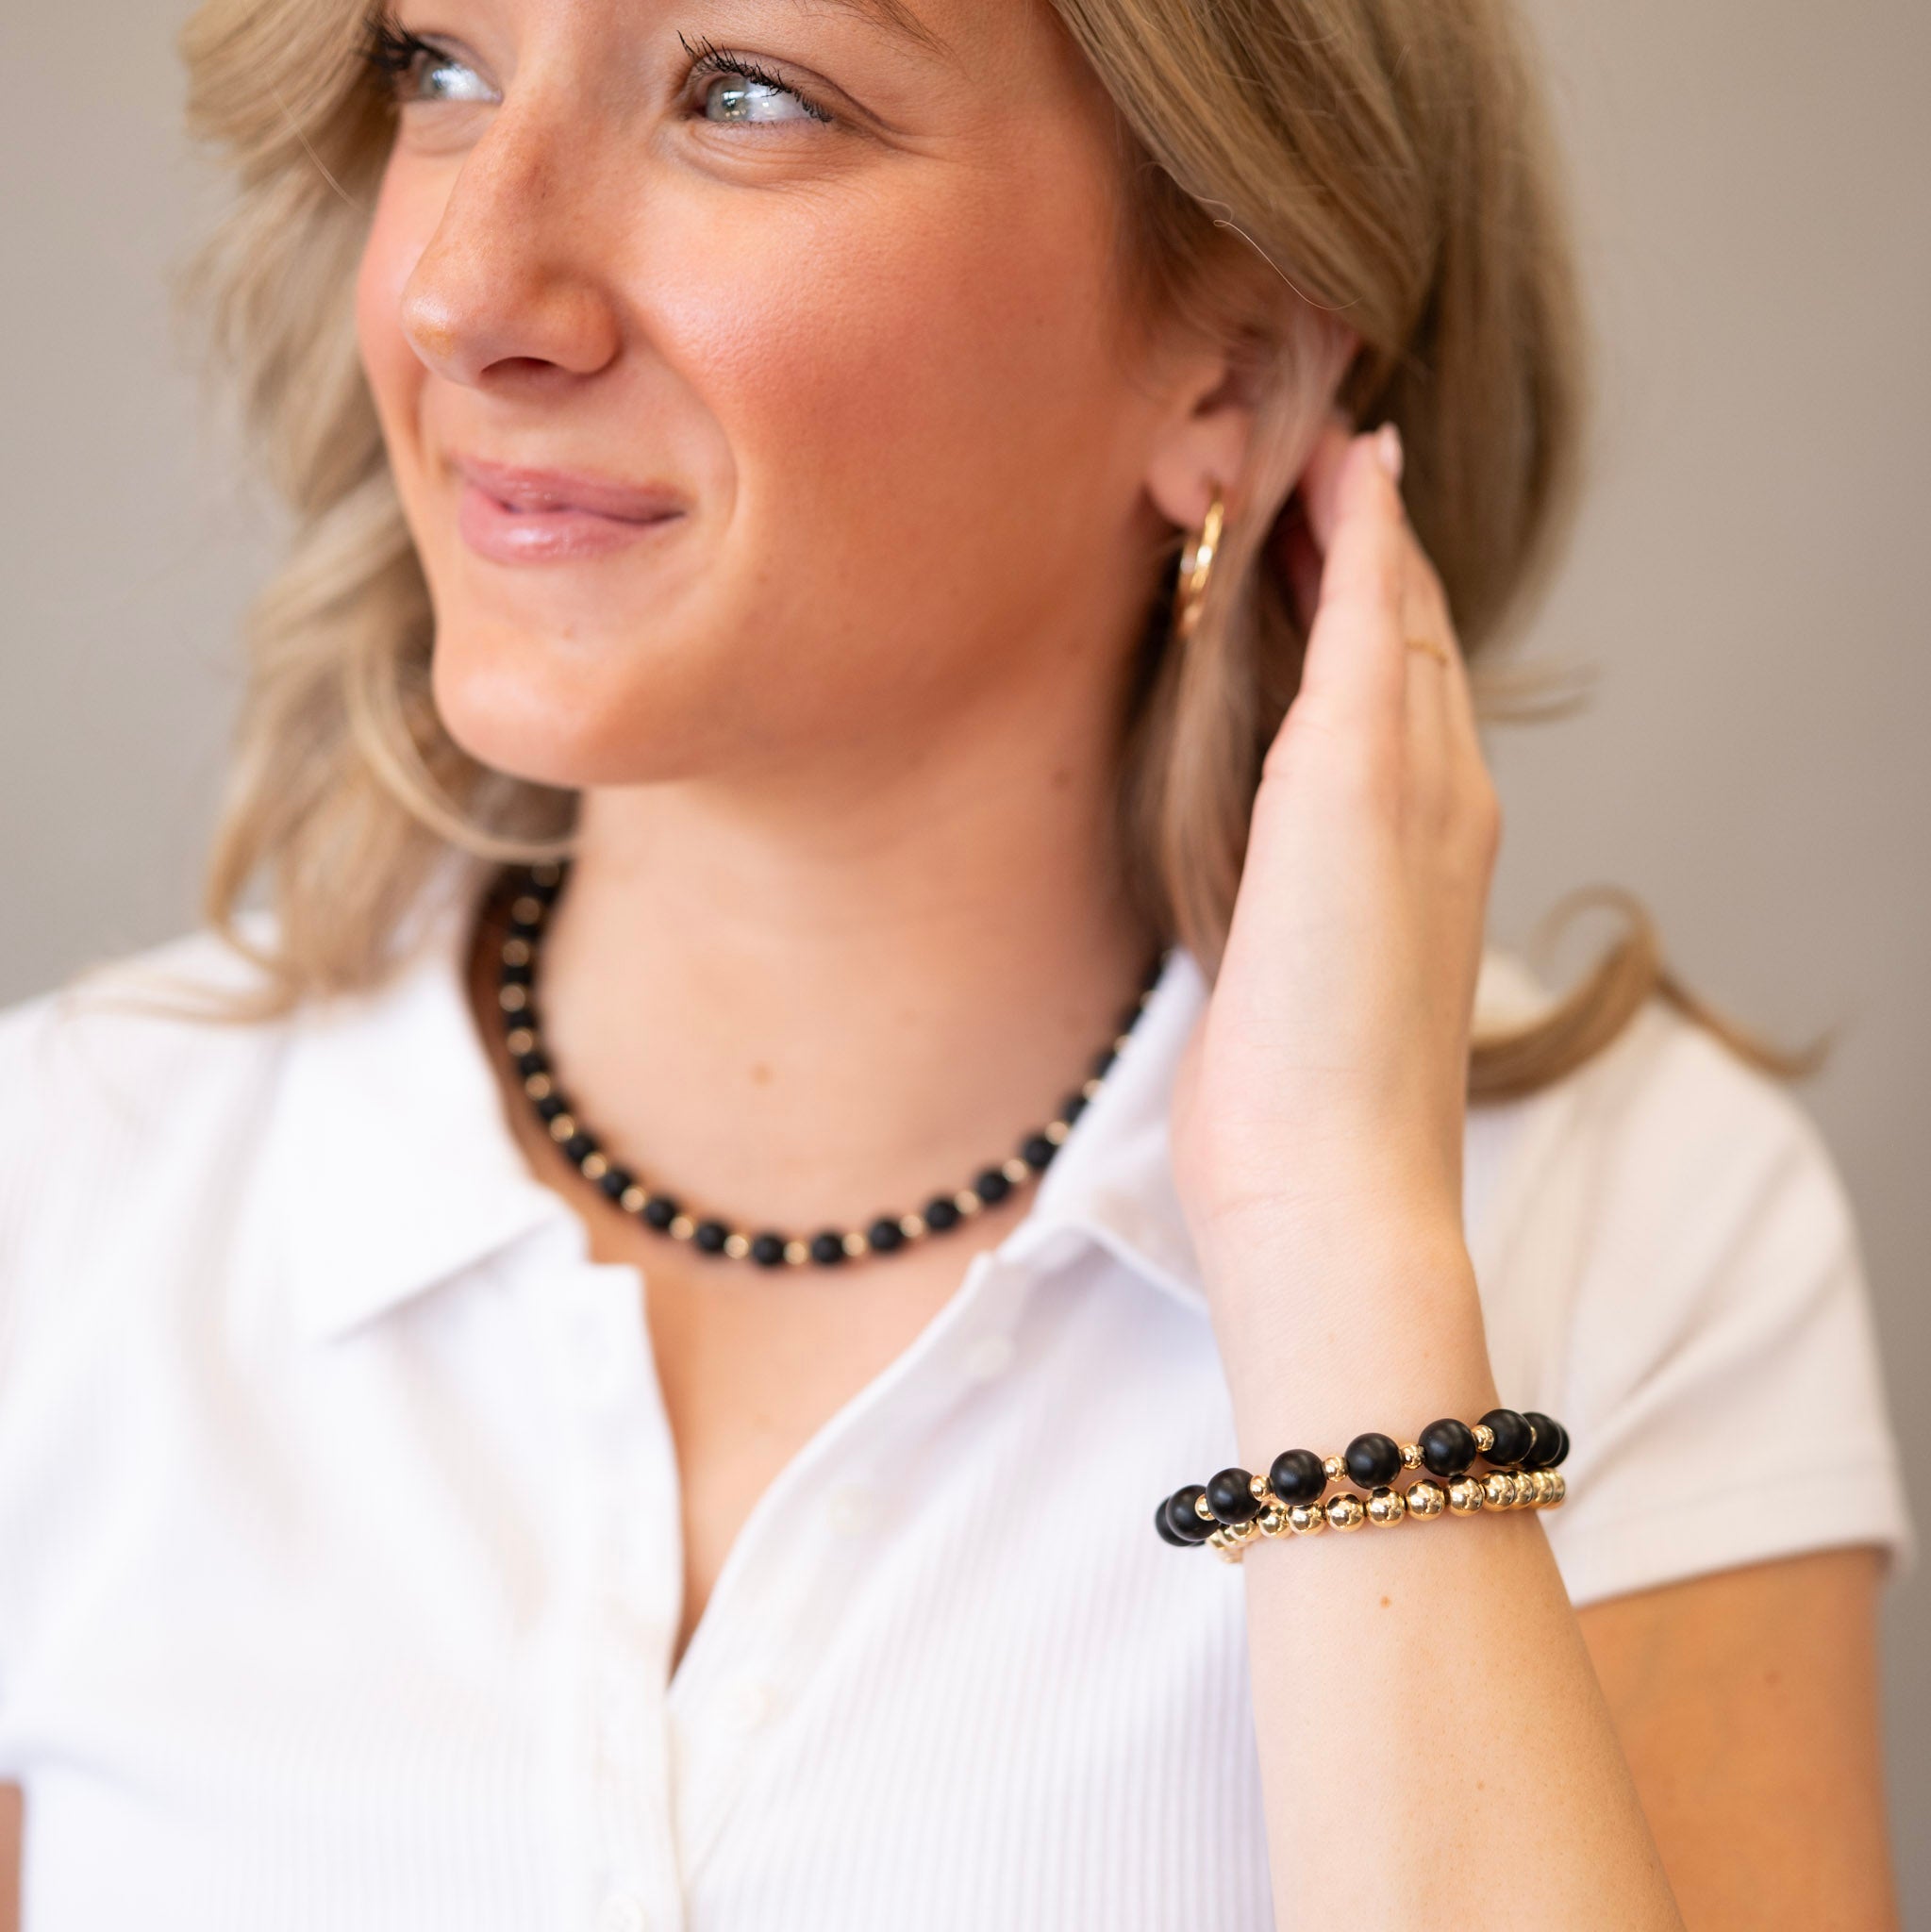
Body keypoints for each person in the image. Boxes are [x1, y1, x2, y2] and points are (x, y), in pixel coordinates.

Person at [0, 0, 1914, 1924]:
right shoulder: (65, 1190)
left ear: (1227, 374)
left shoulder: (1629, 1224)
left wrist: (1337, 1251)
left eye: (743, 92)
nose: (466, 286)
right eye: (440, 67)